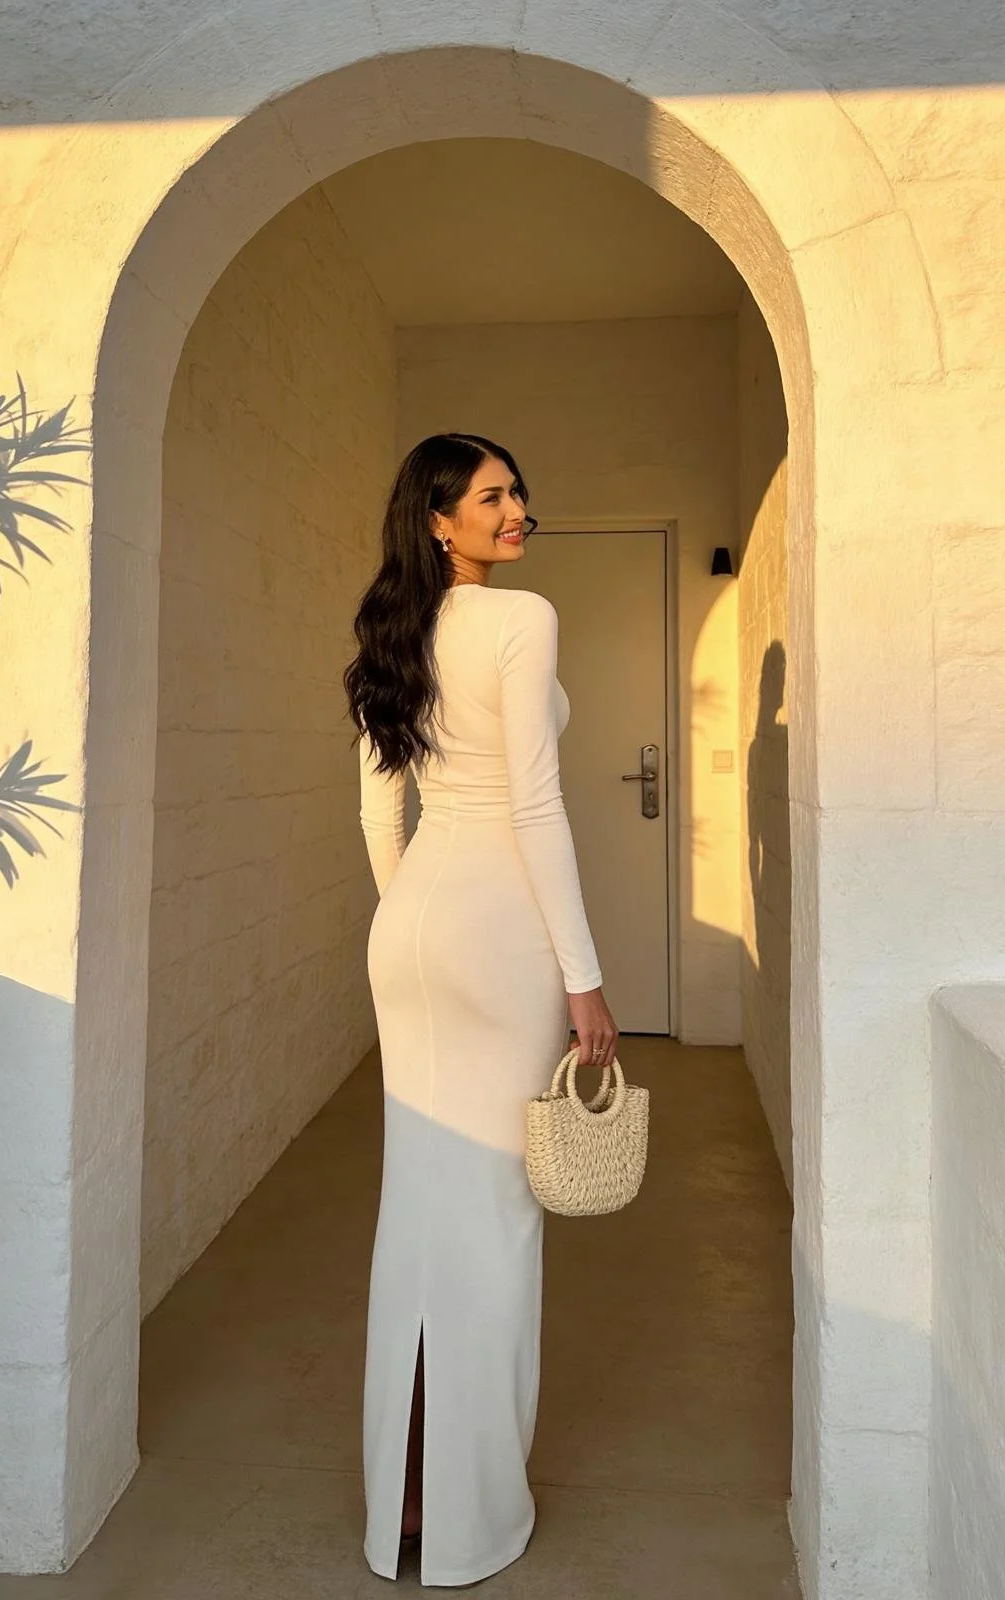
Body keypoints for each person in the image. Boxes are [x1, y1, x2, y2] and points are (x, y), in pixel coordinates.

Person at [342, 433, 618, 1587]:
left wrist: (407, 917)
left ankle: (396, 1511)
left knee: (415, 1212)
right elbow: (538, 808)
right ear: (439, 520)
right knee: (495, 1222)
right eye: (491, 495)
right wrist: (583, 973)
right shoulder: (520, 620)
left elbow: (374, 809)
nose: (517, 510)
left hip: (406, 928)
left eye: (517, 491)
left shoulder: (389, 633)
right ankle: (465, 1516)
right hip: (498, 929)